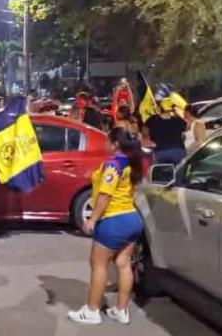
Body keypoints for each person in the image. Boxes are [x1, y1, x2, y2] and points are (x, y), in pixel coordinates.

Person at [68, 128, 145, 326]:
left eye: (107, 140)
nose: (105, 144)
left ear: (115, 144)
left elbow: (105, 195)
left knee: (98, 265)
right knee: (124, 263)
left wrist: (92, 219)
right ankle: (121, 310)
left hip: (114, 221)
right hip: (132, 218)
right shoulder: (132, 163)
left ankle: (92, 310)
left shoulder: (113, 164)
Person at [144, 98, 187, 164]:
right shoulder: (178, 120)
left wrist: (148, 140)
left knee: (161, 172)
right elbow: (186, 127)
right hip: (178, 150)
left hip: (160, 151)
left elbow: (144, 132)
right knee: (180, 171)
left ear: (160, 108)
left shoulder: (152, 120)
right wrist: (177, 113)